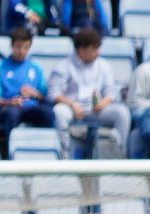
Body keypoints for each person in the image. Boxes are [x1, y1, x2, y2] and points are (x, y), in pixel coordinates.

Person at [50, 27, 128, 158]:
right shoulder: (63, 66)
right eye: (95, 49)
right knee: (59, 111)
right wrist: (72, 104)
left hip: (97, 110)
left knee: (122, 112)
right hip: (73, 109)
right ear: (82, 49)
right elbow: (54, 93)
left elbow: (110, 92)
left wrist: (104, 102)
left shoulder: (104, 65)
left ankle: (119, 154)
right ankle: (65, 155)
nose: (99, 52)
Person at [0, 26, 51, 131]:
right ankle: (8, 147)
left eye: (26, 48)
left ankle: (47, 146)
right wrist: (10, 102)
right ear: (12, 45)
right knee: (12, 113)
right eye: (18, 47)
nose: (22, 51)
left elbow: (45, 96)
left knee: (47, 113)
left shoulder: (36, 67)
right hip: (9, 108)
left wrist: (35, 93)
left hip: (31, 108)